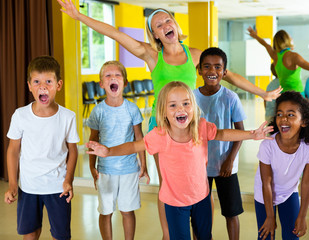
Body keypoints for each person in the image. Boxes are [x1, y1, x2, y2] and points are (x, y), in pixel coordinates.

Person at [57, 2, 282, 238]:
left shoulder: (194, 54)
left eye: (167, 20)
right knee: (169, 184)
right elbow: (115, 34)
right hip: (162, 127)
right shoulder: (152, 55)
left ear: (175, 24)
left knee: (196, 178)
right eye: (158, 25)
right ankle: (168, 233)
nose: (165, 25)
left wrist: (262, 93)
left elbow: (227, 73)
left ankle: (198, 229)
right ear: (155, 34)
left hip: (191, 123)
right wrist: (79, 16)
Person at [86, 81, 274, 240]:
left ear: (193, 106)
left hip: (201, 198)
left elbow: (223, 133)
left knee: (204, 236)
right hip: (174, 203)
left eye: (185, 103)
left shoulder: (201, 127)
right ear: (164, 111)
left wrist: (252, 134)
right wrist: (108, 151)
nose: (180, 109)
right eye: (173, 105)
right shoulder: (159, 135)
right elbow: (134, 146)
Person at [4, 56, 79, 240]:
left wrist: (68, 180)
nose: (42, 86)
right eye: (36, 82)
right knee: (30, 233)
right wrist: (13, 184)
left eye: (48, 81)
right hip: (28, 186)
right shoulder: (20, 115)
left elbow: (73, 151)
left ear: (58, 85)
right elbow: (13, 150)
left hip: (58, 186)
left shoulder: (68, 116)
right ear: (29, 85)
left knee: (61, 235)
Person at [86, 61, 150, 240]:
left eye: (117, 75)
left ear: (125, 82)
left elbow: (139, 139)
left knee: (127, 211)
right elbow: (93, 141)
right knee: (105, 212)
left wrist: (143, 165)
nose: (113, 78)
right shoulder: (98, 111)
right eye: (108, 75)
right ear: (101, 84)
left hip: (129, 170)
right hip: (105, 171)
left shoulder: (132, 109)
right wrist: (93, 167)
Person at [193, 47, 245, 240]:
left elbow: (239, 132)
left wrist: (230, 160)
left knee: (231, 213)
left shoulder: (231, 98)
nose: (212, 71)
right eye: (206, 66)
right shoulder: (190, 97)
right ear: (199, 70)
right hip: (199, 167)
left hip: (225, 166)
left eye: (217, 67)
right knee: (199, 214)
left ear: (224, 71)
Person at [254, 91, 309, 240]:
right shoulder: (268, 145)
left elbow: (307, 183)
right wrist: (270, 217)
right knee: (266, 235)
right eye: (279, 114)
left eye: (290, 115)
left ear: (304, 121)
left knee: (292, 236)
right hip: (264, 194)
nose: (283, 119)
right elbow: (267, 182)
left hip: (289, 193)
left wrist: (302, 216)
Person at [247, 27, 309, 94]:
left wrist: (255, 36)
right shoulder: (294, 56)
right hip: (297, 93)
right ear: (287, 40)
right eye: (290, 37)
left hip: (284, 94)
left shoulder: (275, 56)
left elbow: (266, 44)